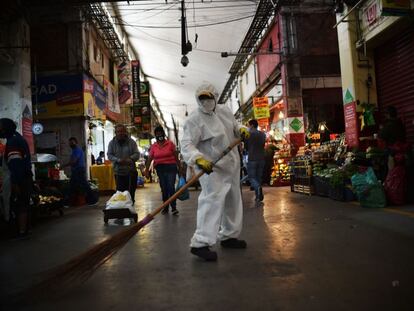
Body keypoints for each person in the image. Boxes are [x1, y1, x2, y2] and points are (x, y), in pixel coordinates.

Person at [181, 82, 250, 262]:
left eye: (208, 97)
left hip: (231, 164)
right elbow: (186, 144)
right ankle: (200, 243)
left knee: (233, 200)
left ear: (215, 97)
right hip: (211, 167)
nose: (205, 101)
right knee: (211, 201)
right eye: (201, 98)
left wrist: (241, 129)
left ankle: (229, 236)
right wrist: (198, 158)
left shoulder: (224, 111)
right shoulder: (194, 120)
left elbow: (235, 125)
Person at [0, 118, 32, 239]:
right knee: (24, 203)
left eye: (0, 126)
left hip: (20, 178)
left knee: (20, 204)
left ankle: (22, 231)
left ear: (6, 128)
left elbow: (16, 164)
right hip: (25, 176)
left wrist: (15, 183)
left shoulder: (13, 141)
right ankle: (25, 230)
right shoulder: (17, 137)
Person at [145, 126, 180, 215]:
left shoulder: (170, 144)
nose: (159, 135)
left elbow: (176, 156)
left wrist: (180, 168)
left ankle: (174, 207)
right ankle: (165, 206)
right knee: (164, 188)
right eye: (157, 133)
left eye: (161, 133)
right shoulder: (154, 146)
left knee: (171, 187)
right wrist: (146, 170)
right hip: (160, 169)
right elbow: (150, 158)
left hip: (171, 167)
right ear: (155, 135)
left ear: (163, 134)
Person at [107, 124, 140, 203]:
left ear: (125, 132)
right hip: (118, 173)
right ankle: (123, 211)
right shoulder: (112, 143)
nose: (120, 133)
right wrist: (118, 160)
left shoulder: (132, 142)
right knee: (120, 194)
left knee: (131, 194)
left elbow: (137, 154)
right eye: (118, 131)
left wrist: (130, 159)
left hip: (131, 172)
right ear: (115, 133)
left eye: (122, 131)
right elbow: (109, 155)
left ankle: (131, 210)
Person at [63, 137, 95, 205]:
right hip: (76, 170)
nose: (71, 144)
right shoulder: (74, 150)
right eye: (70, 142)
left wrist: (64, 165)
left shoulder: (77, 150)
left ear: (76, 142)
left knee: (83, 185)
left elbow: (74, 161)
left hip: (78, 170)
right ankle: (68, 202)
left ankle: (93, 200)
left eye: (72, 142)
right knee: (73, 186)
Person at [245, 119, 266, 202]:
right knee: (258, 178)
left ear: (252, 125)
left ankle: (258, 188)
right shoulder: (263, 134)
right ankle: (258, 197)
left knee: (251, 177)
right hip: (261, 158)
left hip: (252, 158)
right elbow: (263, 145)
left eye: (248, 125)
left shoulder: (249, 134)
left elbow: (246, 147)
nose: (248, 127)